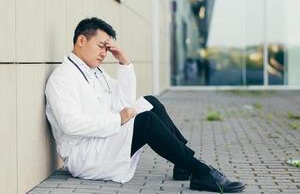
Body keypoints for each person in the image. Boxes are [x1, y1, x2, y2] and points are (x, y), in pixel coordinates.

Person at [45, 17, 245, 193]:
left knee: (150, 102)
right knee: (146, 121)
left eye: (107, 48)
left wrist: (124, 64)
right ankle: (201, 172)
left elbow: (125, 102)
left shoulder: (96, 73)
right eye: (101, 46)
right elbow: (70, 124)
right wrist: (118, 119)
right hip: (85, 155)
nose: (104, 53)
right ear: (81, 40)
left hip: (104, 139)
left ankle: (183, 164)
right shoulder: (63, 78)